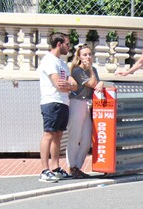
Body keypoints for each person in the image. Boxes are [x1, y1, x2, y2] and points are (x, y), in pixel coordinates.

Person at [37, 32, 77, 183]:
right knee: (49, 134)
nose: (69, 47)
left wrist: (70, 85)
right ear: (59, 44)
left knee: (58, 135)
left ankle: (55, 167)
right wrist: (70, 86)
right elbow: (59, 84)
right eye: (67, 44)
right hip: (51, 101)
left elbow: (73, 84)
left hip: (63, 102)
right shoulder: (49, 61)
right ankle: (44, 170)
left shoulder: (62, 63)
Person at [67, 44, 104, 179]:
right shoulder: (77, 71)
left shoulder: (92, 69)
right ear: (79, 57)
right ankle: (72, 166)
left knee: (87, 138)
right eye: (85, 55)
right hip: (78, 102)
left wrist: (100, 82)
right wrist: (93, 75)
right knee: (75, 136)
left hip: (88, 104)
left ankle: (78, 165)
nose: (88, 57)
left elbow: (98, 84)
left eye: (89, 54)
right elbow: (93, 84)